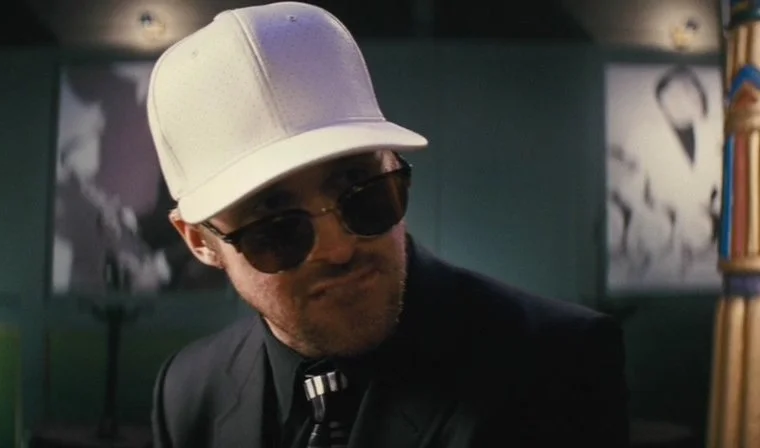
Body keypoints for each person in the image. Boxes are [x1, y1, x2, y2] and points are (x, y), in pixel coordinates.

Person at [147, 2, 629, 447]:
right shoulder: (188, 391)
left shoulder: (557, 365)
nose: (338, 249)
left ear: (394, 168)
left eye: (362, 192)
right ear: (199, 240)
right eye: (277, 226)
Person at [608, 64, 721, 287]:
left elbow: (728, 182)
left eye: (695, 88)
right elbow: (628, 183)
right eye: (686, 89)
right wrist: (644, 214)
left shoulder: (717, 130)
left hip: (703, 224)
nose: (696, 94)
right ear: (667, 101)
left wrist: (716, 213)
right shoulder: (644, 135)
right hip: (660, 223)